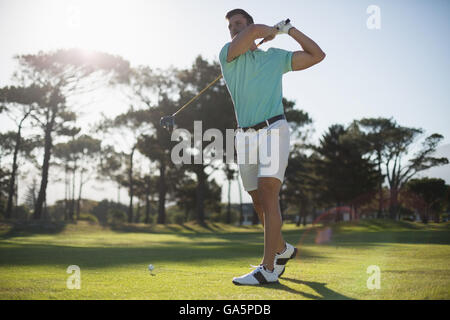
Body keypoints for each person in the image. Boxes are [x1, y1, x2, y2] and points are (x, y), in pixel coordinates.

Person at [218, 9, 326, 285]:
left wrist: (289, 31)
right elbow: (253, 34)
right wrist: (269, 31)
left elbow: (317, 55)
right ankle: (282, 249)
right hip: (244, 136)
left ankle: (268, 268)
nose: (234, 30)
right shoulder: (227, 55)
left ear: (250, 25)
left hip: (273, 129)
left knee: (268, 192)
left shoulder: (275, 58)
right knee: (257, 200)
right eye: (231, 26)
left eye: (239, 24)